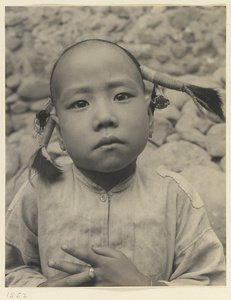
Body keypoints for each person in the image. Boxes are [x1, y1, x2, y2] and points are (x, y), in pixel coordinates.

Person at [5, 39, 225, 287]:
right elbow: (10, 272)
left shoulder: (175, 196)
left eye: (121, 96)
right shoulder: (37, 194)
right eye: (80, 103)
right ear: (60, 133)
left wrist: (144, 287)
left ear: (149, 118)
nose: (104, 117)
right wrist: (39, 291)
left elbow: (211, 282)